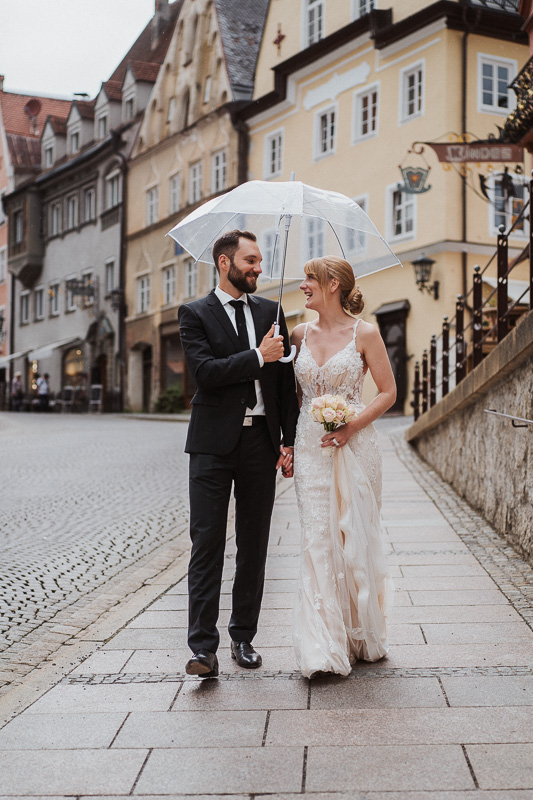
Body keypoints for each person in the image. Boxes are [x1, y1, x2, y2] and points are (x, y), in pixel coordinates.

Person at [178, 229, 299, 678]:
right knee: (206, 543)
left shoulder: (272, 311)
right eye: (250, 260)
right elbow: (206, 374)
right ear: (225, 263)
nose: (258, 268)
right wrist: (257, 355)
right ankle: (203, 649)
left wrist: (289, 440)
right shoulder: (194, 313)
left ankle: (243, 636)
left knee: (254, 543)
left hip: (259, 444)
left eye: (260, 260)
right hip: (211, 446)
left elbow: (285, 385)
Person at [291, 255, 396, 679]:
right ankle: (324, 644)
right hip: (309, 444)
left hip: (356, 445)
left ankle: (359, 634)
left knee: (353, 535)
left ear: (332, 284)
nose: (303, 286)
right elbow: (289, 399)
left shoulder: (365, 333)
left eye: (309, 278)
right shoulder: (296, 333)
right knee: (317, 537)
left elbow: (388, 392)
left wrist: (352, 424)